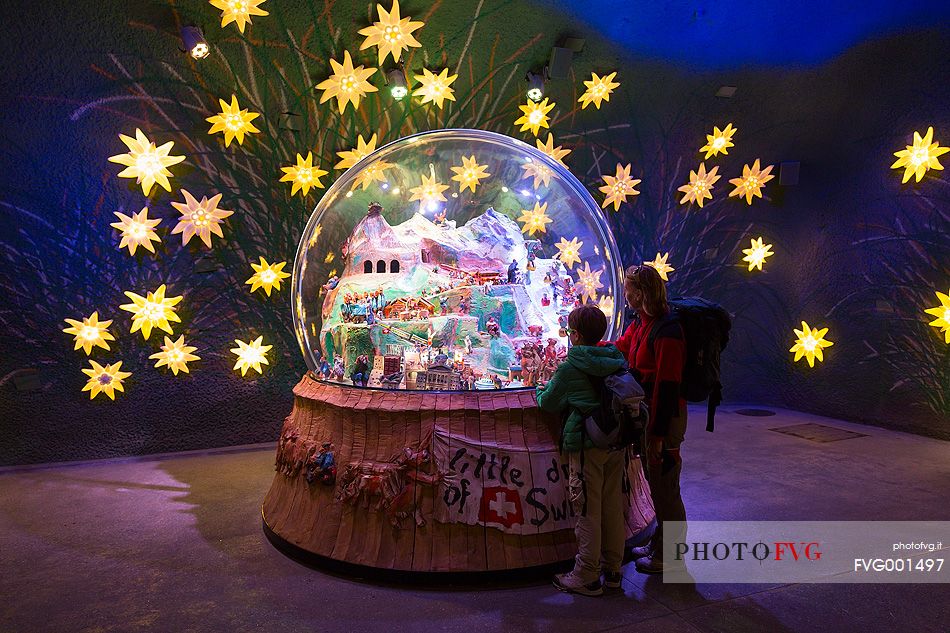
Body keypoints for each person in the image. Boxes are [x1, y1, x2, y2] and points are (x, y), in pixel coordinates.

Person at [536, 305, 628, 596]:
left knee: (587, 509)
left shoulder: (570, 367)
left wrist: (538, 390)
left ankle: (587, 575)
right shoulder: (615, 358)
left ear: (574, 335)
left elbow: (549, 403)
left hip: (588, 443)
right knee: (612, 506)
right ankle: (613, 569)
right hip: (616, 442)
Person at [614, 264, 687, 574]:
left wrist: (657, 435)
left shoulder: (668, 330)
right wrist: (585, 348)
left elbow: (667, 386)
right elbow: (622, 347)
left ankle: (670, 556)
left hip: (664, 419)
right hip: (649, 416)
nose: (625, 294)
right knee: (656, 482)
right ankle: (660, 542)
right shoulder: (642, 322)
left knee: (666, 485)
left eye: (629, 289)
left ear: (640, 293)